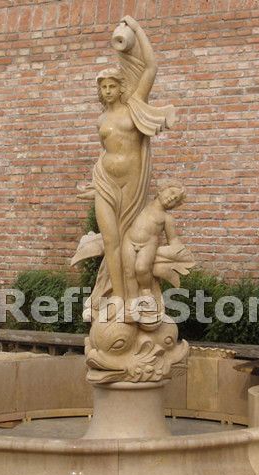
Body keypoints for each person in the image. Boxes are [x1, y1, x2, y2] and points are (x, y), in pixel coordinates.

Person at [79, 16, 175, 313]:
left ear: (120, 88)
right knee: (111, 240)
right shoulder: (101, 120)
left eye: (112, 85)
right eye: (103, 87)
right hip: (105, 182)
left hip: (132, 183)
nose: (107, 90)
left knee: (129, 238)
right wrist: (96, 180)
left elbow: (151, 67)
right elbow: (106, 152)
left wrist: (136, 28)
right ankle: (118, 297)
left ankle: (135, 296)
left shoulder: (134, 106)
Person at [122, 183, 186, 303]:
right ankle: (132, 299)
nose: (172, 198)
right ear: (160, 190)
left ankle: (146, 290)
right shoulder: (142, 204)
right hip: (128, 240)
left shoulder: (167, 218)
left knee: (141, 268)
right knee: (129, 271)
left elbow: (173, 239)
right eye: (172, 192)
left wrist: (180, 252)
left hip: (148, 245)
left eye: (176, 199)